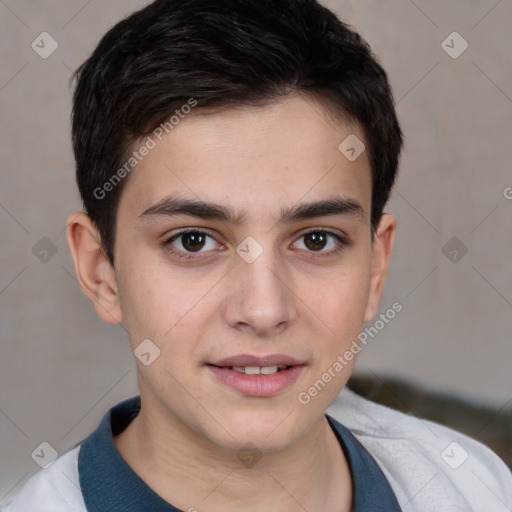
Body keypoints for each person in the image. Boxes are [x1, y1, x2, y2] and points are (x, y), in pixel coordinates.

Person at [2, 1, 511, 510]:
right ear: (101, 272)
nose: (264, 310)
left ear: (375, 269)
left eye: (316, 240)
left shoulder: (473, 488)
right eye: (193, 241)